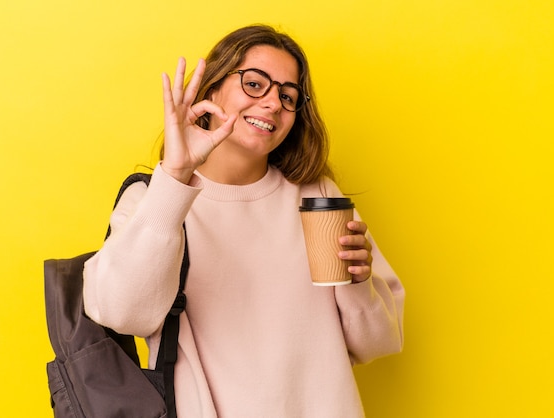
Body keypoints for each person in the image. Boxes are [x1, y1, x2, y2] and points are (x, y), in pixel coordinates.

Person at [83, 24, 404, 418]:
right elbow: (122, 313)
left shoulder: (318, 196)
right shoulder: (154, 200)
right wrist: (175, 176)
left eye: (288, 96)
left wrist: (358, 284)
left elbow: (378, 343)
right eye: (254, 84)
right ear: (213, 90)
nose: (272, 103)